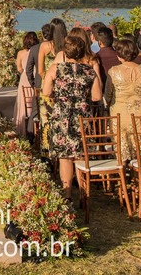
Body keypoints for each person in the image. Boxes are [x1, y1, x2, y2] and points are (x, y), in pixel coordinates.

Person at [43, 31, 102, 202]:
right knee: (81, 155)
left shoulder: (56, 69)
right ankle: (84, 193)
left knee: (65, 157)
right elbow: (97, 96)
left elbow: (46, 92)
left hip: (62, 114)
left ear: (65, 52)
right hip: (81, 116)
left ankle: (67, 193)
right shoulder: (89, 71)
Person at [103, 38, 141, 161]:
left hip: (119, 111)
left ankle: (123, 172)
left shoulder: (114, 71)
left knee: (121, 145)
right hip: (139, 110)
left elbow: (108, 95)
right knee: (140, 144)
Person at [36, 18, 67, 155]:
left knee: (47, 122)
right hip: (64, 88)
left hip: (47, 88)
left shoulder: (45, 46)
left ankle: (47, 153)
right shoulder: (68, 46)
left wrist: (49, 80)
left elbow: (40, 70)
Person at [14, 32, 39, 138]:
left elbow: (19, 68)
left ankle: (23, 130)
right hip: (35, 78)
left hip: (25, 78)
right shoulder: (38, 51)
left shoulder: (20, 53)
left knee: (23, 103)